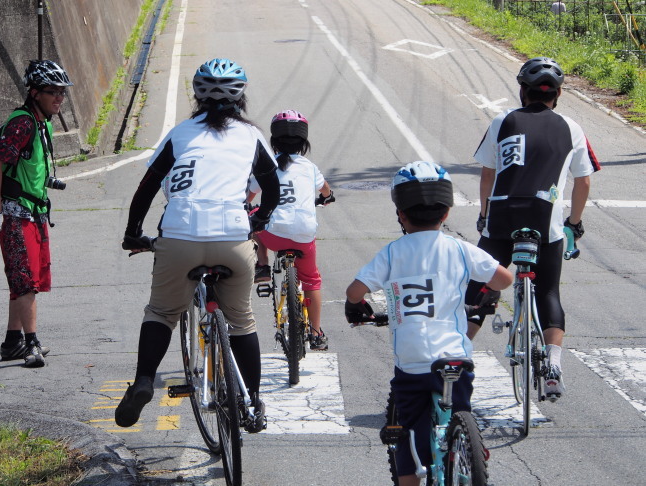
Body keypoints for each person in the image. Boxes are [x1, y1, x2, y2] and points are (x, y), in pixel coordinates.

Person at [115, 58, 280, 432]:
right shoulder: (251, 136)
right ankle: (251, 404)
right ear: (242, 98)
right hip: (233, 237)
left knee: (161, 312)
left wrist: (133, 232)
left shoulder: (180, 133)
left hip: (179, 235)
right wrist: (258, 221)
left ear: (196, 97)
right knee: (241, 321)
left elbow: (147, 189)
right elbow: (272, 188)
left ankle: (143, 382)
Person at [345, 161, 512, 486]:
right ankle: (463, 442)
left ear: (401, 214)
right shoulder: (460, 249)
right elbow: (503, 278)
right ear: (446, 212)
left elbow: (355, 291)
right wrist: (489, 292)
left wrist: (356, 307)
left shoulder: (393, 253)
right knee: (457, 409)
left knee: (407, 432)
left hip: (412, 362)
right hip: (455, 359)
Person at [466, 57, 600, 400]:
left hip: (503, 217)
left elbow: (487, 173)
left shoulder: (502, 120)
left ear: (522, 91)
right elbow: (583, 181)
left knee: (479, 288)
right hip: (546, 220)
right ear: (557, 95)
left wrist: (484, 214)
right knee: (548, 292)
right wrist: (573, 223)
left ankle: (456, 357)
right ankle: (553, 366)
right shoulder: (572, 128)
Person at [0, 59, 73, 368]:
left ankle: (13, 342)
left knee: (24, 279)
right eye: (53, 92)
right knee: (25, 282)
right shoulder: (23, 122)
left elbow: (31, 167)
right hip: (15, 213)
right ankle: (32, 343)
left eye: (62, 92)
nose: (59, 98)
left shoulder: (42, 122)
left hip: (34, 212)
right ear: (35, 93)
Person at [247, 110, 334, 351]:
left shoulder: (267, 165)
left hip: (274, 236)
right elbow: (325, 191)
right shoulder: (309, 167)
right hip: (304, 237)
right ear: (304, 143)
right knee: (312, 280)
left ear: (273, 142)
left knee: (255, 217)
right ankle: (316, 333)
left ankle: (263, 264)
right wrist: (327, 197)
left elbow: (249, 196)